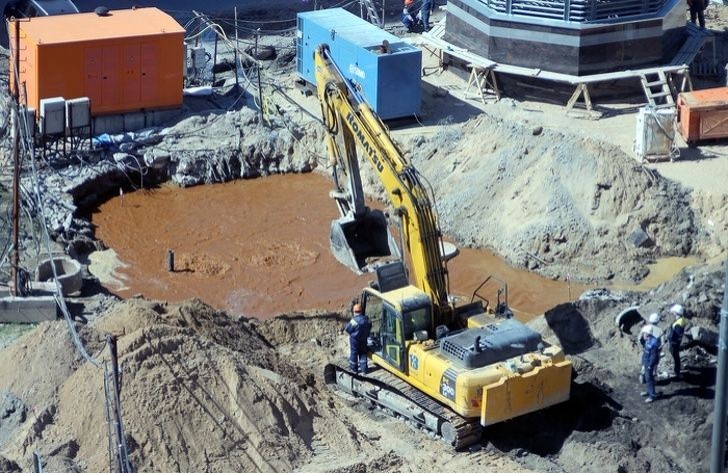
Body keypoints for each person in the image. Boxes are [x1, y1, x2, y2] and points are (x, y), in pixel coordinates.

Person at [345, 303, 371, 374]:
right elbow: (369, 327)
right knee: (363, 353)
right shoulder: (366, 319)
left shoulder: (354, 321)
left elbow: (348, 329)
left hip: (355, 340)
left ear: (354, 312)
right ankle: (364, 369)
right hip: (364, 339)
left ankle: (354, 368)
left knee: (354, 353)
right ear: (361, 311)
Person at [666, 304, 687, 378]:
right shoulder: (681, 319)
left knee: (676, 357)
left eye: (674, 312)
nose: (673, 313)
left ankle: (677, 371)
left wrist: (671, 341)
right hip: (676, 343)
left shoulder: (678, 323)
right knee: (676, 356)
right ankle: (676, 370)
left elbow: (677, 335)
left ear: (676, 312)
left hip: (674, 343)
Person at [641, 329, 661, 403]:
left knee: (649, 379)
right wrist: (643, 362)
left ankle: (652, 396)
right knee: (647, 378)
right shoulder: (648, 340)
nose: (643, 335)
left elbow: (653, 356)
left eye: (644, 334)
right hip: (646, 362)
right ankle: (648, 391)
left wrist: (650, 365)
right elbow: (645, 353)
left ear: (647, 334)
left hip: (649, 364)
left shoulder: (653, 343)